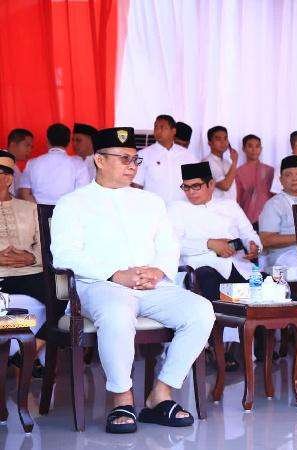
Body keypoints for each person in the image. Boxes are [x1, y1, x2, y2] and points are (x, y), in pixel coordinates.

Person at [51, 127, 215, 434]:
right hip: (100, 285)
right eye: (124, 159)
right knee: (117, 310)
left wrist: (158, 271)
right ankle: (122, 399)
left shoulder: (150, 201)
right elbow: (64, 255)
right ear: (99, 160)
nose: (132, 166)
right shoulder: (72, 203)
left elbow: (168, 245)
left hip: (150, 285)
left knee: (201, 310)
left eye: (135, 160)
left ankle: (161, 394)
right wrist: (116, 274)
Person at [168, 161, 261, 302]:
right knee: (207, 278)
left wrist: (253, 246)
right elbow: (172, 245)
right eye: (186, 187)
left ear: (211, 184)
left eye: (196, 186)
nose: (191, 192)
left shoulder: (229, 205)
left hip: (239, 267)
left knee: (272, 286)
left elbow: (249, 234)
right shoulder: (176, 208)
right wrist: (209, 244)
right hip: (203, 272)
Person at [0, 150, 47, 376]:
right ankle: (17, 351)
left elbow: (44, 248)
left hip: (29, 274)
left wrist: (31, 257)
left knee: (65, 297)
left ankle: (29, 350)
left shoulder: (30, 208)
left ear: (9, 178)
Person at [132, 114, 198, 204]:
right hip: (153, 208)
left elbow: (200, 185)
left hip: (183, 208)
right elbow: (136, 185)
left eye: (162, 127)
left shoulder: (189, 156)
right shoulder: (142, 155)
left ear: (173, 131)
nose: (158, 130)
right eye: (156, 127)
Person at [18, 123, 90, 205]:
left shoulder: (32, 163)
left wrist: (40, 209)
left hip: (39, 211)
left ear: (47, 140)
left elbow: (24, 194)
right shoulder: (79, 165)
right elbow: (83, 195)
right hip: (67, 211)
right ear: (68, 142)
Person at [258, 155, 297, 274]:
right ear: (281, 180)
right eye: (288, 175)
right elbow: (266, 240)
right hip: (283, 258)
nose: (294, 178)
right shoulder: (273, 204)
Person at [235, 134, 274, 225]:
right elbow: (238, 198)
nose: (254, 150)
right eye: (250, 146)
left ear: (261, 149)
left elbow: (274, 196)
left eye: (257, 146)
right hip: (247, 216)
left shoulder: (270, 170)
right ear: (243, 149)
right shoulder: (238, 172)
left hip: (269, 215)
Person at [203, 126, 238, 202]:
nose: (223, 142)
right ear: (209, 143)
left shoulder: (228, 163)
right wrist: (235, 162)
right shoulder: (206, 163)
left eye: (225, 138)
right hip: (217, 207)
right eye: (218, 139)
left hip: (231, 206)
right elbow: (225, 186)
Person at [4, 128, 33, 197]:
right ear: (13, 145)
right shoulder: (3, 162)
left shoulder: (14, 167)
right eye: (27, 145)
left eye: (31, 147)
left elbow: (20, 192)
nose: (29, 150)